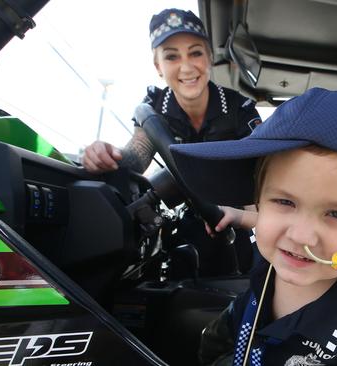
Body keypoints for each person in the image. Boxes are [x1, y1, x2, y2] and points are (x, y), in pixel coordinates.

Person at [170, 88, 337, 365]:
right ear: (258, 199)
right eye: (284, 202)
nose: (300, 236)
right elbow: (228, 330)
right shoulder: (272, 259)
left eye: (336, 214)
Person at [82, 8, 261, 275]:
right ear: (158, 66)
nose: (186, 67)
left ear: (210, 57)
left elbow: (261, 174)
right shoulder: (154, 105)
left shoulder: (239, 107)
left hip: (238, 225)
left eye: (195, 53)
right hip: (188, 226)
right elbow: (136, 157)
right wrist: (105, 154)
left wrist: (255, 219)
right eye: (172, 56)